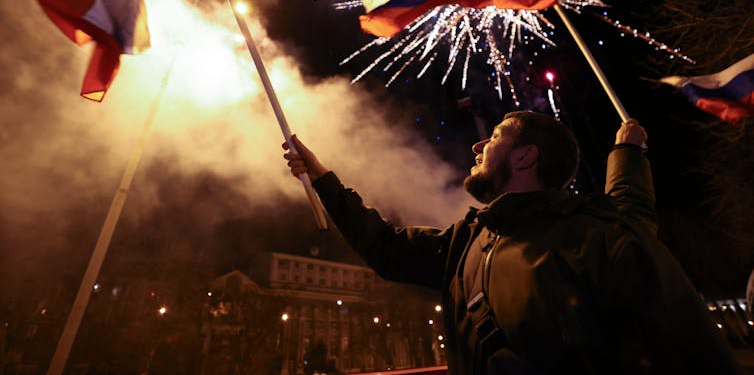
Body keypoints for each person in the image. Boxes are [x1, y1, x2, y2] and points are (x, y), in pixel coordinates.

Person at [283, 112, 740, 373]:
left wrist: (627, 154)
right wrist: (323, 178)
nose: (479, 145)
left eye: (497, 134)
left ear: (525, 156)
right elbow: (384, 248)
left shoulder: (600, 237)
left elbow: (700, 359)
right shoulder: (467, 241)